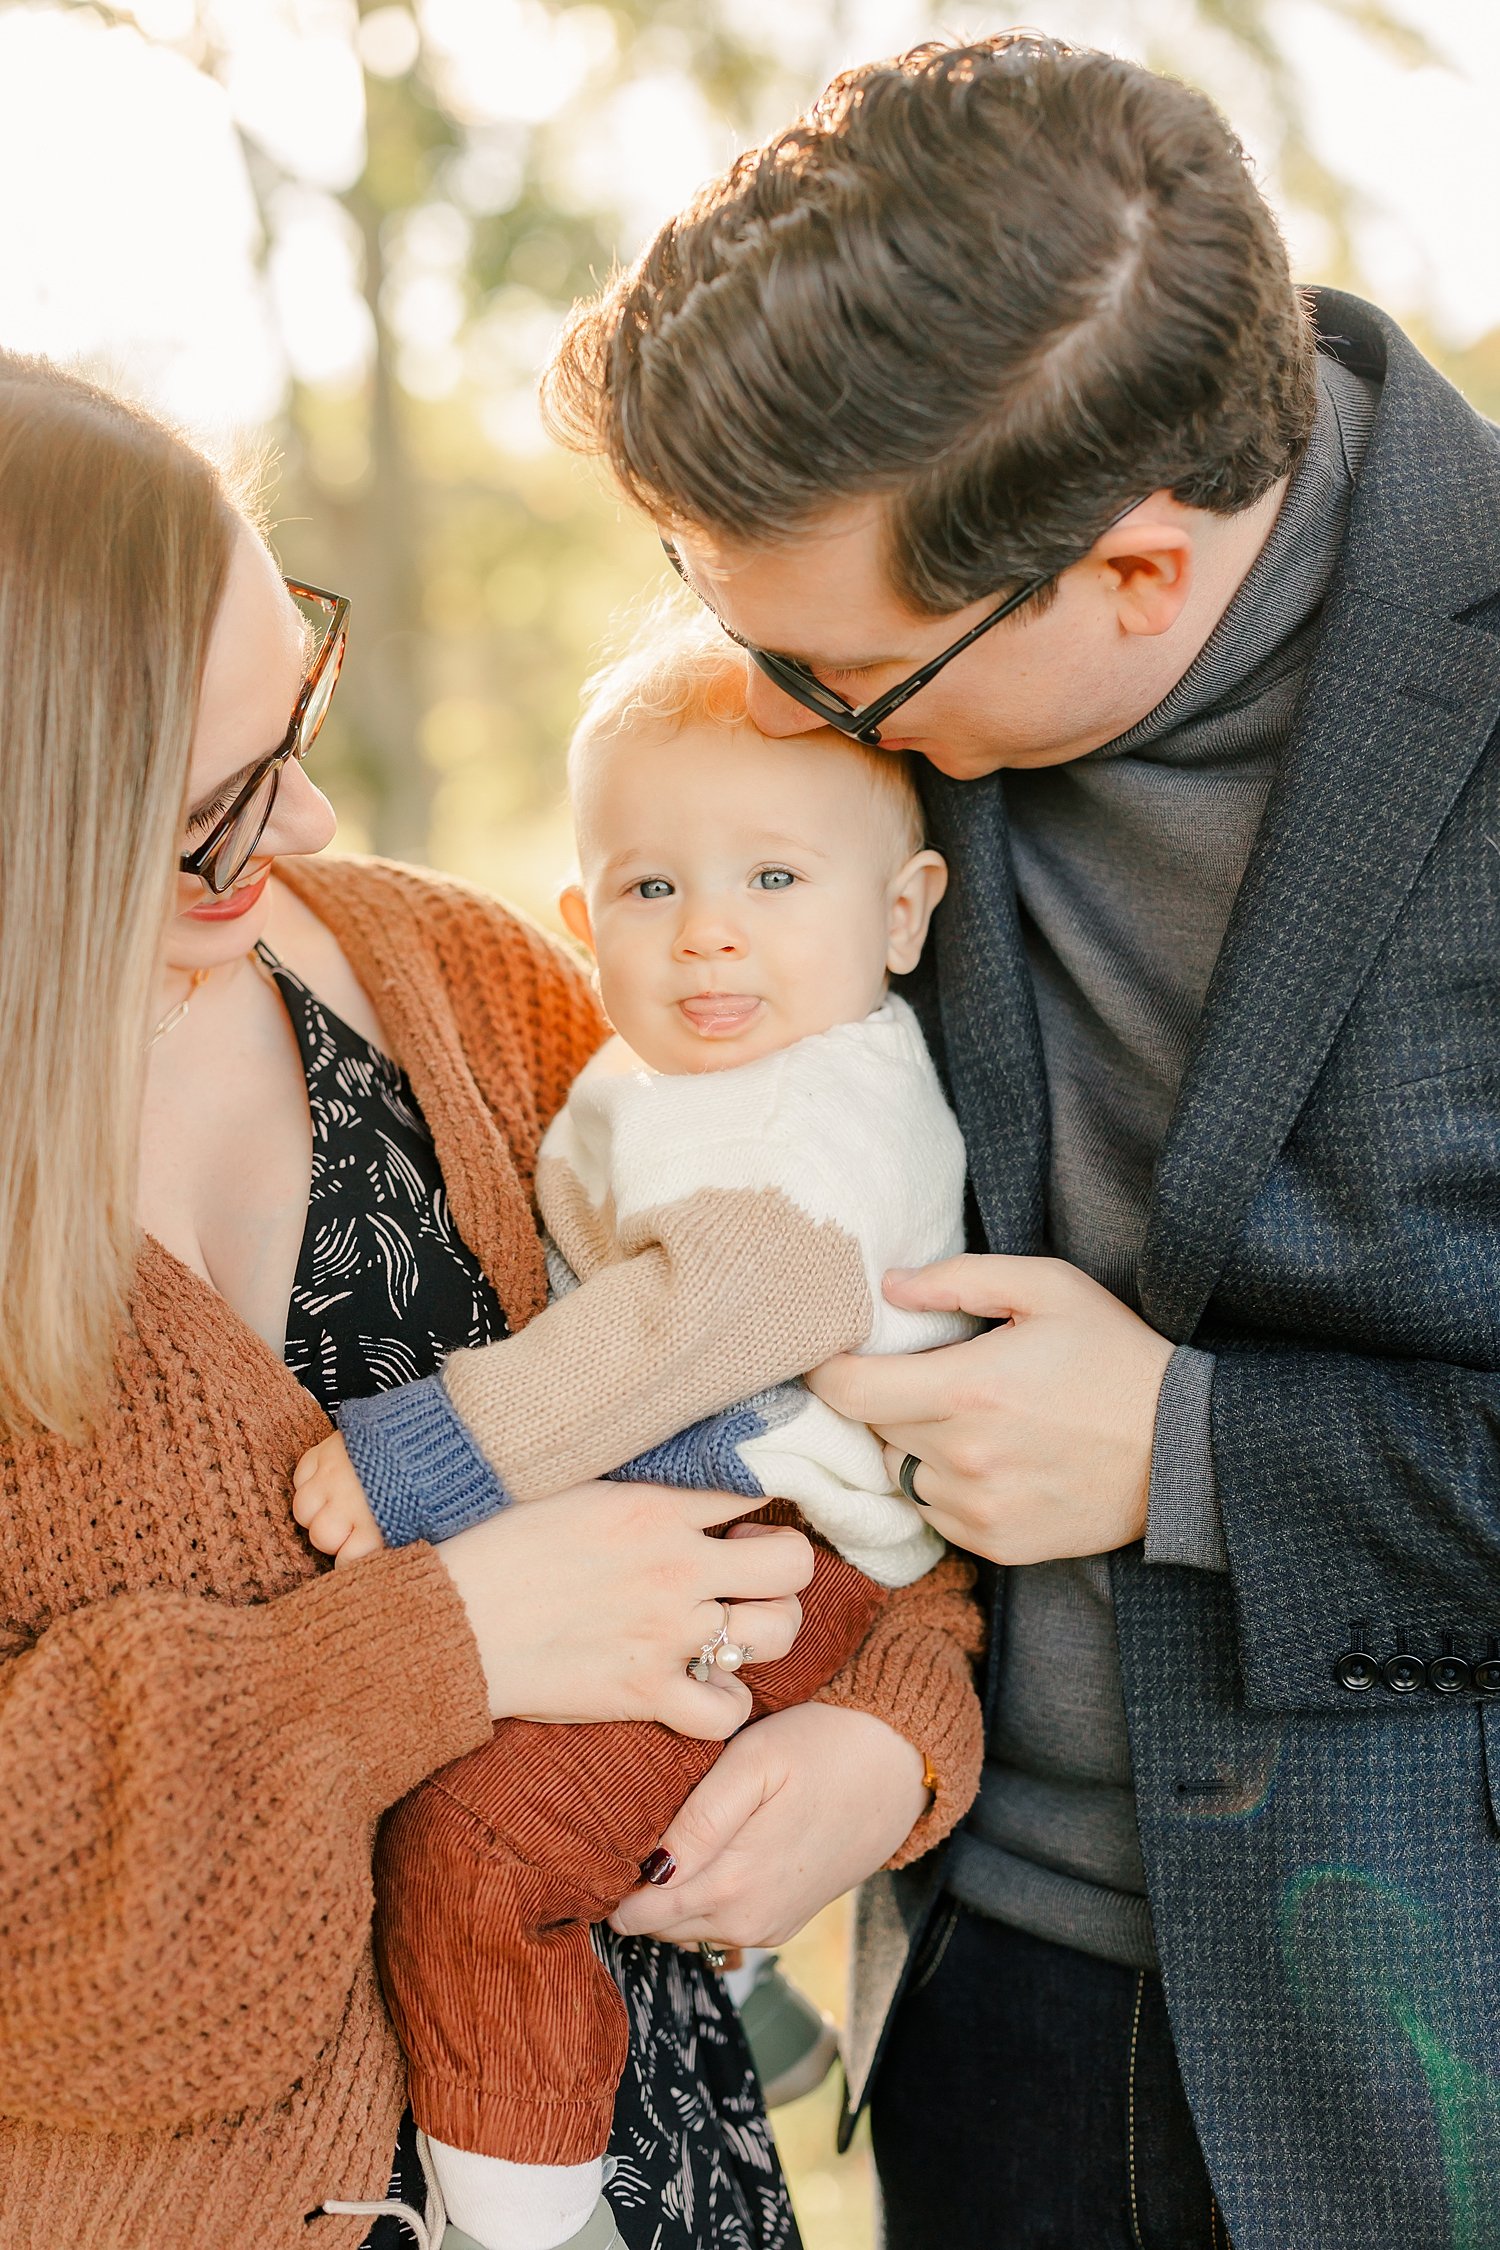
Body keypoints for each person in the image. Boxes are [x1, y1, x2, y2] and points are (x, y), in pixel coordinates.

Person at [543, 32, 1500, 2250]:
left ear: (1137, 576)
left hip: (1426, 2029)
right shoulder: (882, 598)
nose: (777, 711)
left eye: (845, 685)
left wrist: (1196, 1455)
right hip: (979, 2001)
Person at [0, 356, 972, 2250]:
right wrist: (429, 1642)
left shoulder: (457, 983)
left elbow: (843, 1410)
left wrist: (891, 1740)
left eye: (298, 710)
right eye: (205, 815)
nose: (306, 822)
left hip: (653, 2166)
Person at [288, 618, 985, 2250]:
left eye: (774, 882)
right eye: (655, 892)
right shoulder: (663, 1066)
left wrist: (424, 1458)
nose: (711, 941)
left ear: (902, 913)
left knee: (484, 1838)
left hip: (777, 1550)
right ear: (582, 918)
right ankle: (726, 1977)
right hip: (720, 1528)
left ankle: (522, 2193)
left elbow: (695, 1324)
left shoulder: (808, 1107)